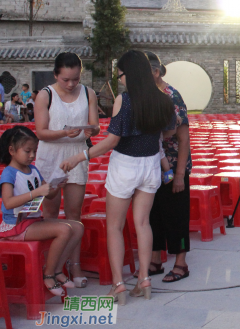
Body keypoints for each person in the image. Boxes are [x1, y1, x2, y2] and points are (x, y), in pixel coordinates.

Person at [60, 50, 175, 304]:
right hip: (151, 165)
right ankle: (144, 279)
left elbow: (112, 141)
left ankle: (119, 285)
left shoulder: (125, 100)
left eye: (120, 74)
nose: (119, 79)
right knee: (143, 223)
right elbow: (169, 131)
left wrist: (79, 157)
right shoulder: (163, 99)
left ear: (129, 74)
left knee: (115, 227)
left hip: (125, 166)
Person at [34, 52, 99, 288]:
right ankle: (49, 268)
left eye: (75, 79)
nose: (71, 84)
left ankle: (74, 266)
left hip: (77, 154)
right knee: (50, 215)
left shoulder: (88, 92)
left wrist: (92, 129)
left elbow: (96, 126)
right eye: (66, 80)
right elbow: (40, 131)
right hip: (51, 155)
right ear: (56, 75)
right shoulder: (45, 95)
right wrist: (64, 132)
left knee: (74, 215)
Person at [0, 126, 85, 297]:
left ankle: (57, 269)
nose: (32, 155)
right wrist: (36, 192)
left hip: (33, 221)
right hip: (16, 226)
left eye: (34, 151)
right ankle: (48, 274)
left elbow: (48, 195)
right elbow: (8, 202)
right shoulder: (9, 173)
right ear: (12, 150)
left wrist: (54, 186)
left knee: (77, 227)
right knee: (64, 229)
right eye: (27, 151)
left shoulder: (33, 170)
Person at [144, 52, 192, 283]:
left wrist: (180, 175)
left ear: (155, 71)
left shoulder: (171, 96)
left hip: (173, 166)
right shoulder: (145, 95)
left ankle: (181, 263)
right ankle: (155, 260)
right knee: (153, 214)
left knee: (176, 215)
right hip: (151, 166)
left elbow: (184, 139)